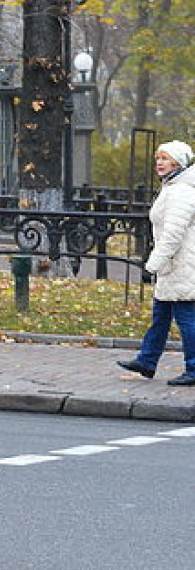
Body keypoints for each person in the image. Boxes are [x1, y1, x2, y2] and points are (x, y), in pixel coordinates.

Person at [118, 140, 195, 386]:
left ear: (178, 162)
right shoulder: (172, 187)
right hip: (172, 266)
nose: (159, 163)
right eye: (158, 158)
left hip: (182, 265)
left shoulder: (181, 191)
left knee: (186, 319)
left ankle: (194, 369)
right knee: (160, 316)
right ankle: (147, 361)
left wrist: (152, 265)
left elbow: (173, 234)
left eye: (165, 158)